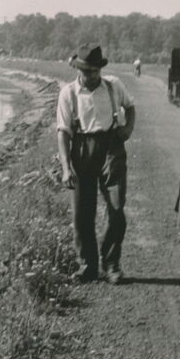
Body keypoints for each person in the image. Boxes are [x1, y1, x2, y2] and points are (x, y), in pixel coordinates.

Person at [57, 44, 136, 284]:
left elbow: (130, 106)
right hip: (82, 149)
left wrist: (128, 128)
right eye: (86, 71)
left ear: (100, 68)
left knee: (116, 208)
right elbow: (63, 132)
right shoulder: (68, 93)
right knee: (82, 213)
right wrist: (66, 168)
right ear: (78, 69)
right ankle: (88, 265)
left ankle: (111, 263)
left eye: (95, 71)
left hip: (111, 147)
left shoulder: (114, 85)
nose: (91, 76)